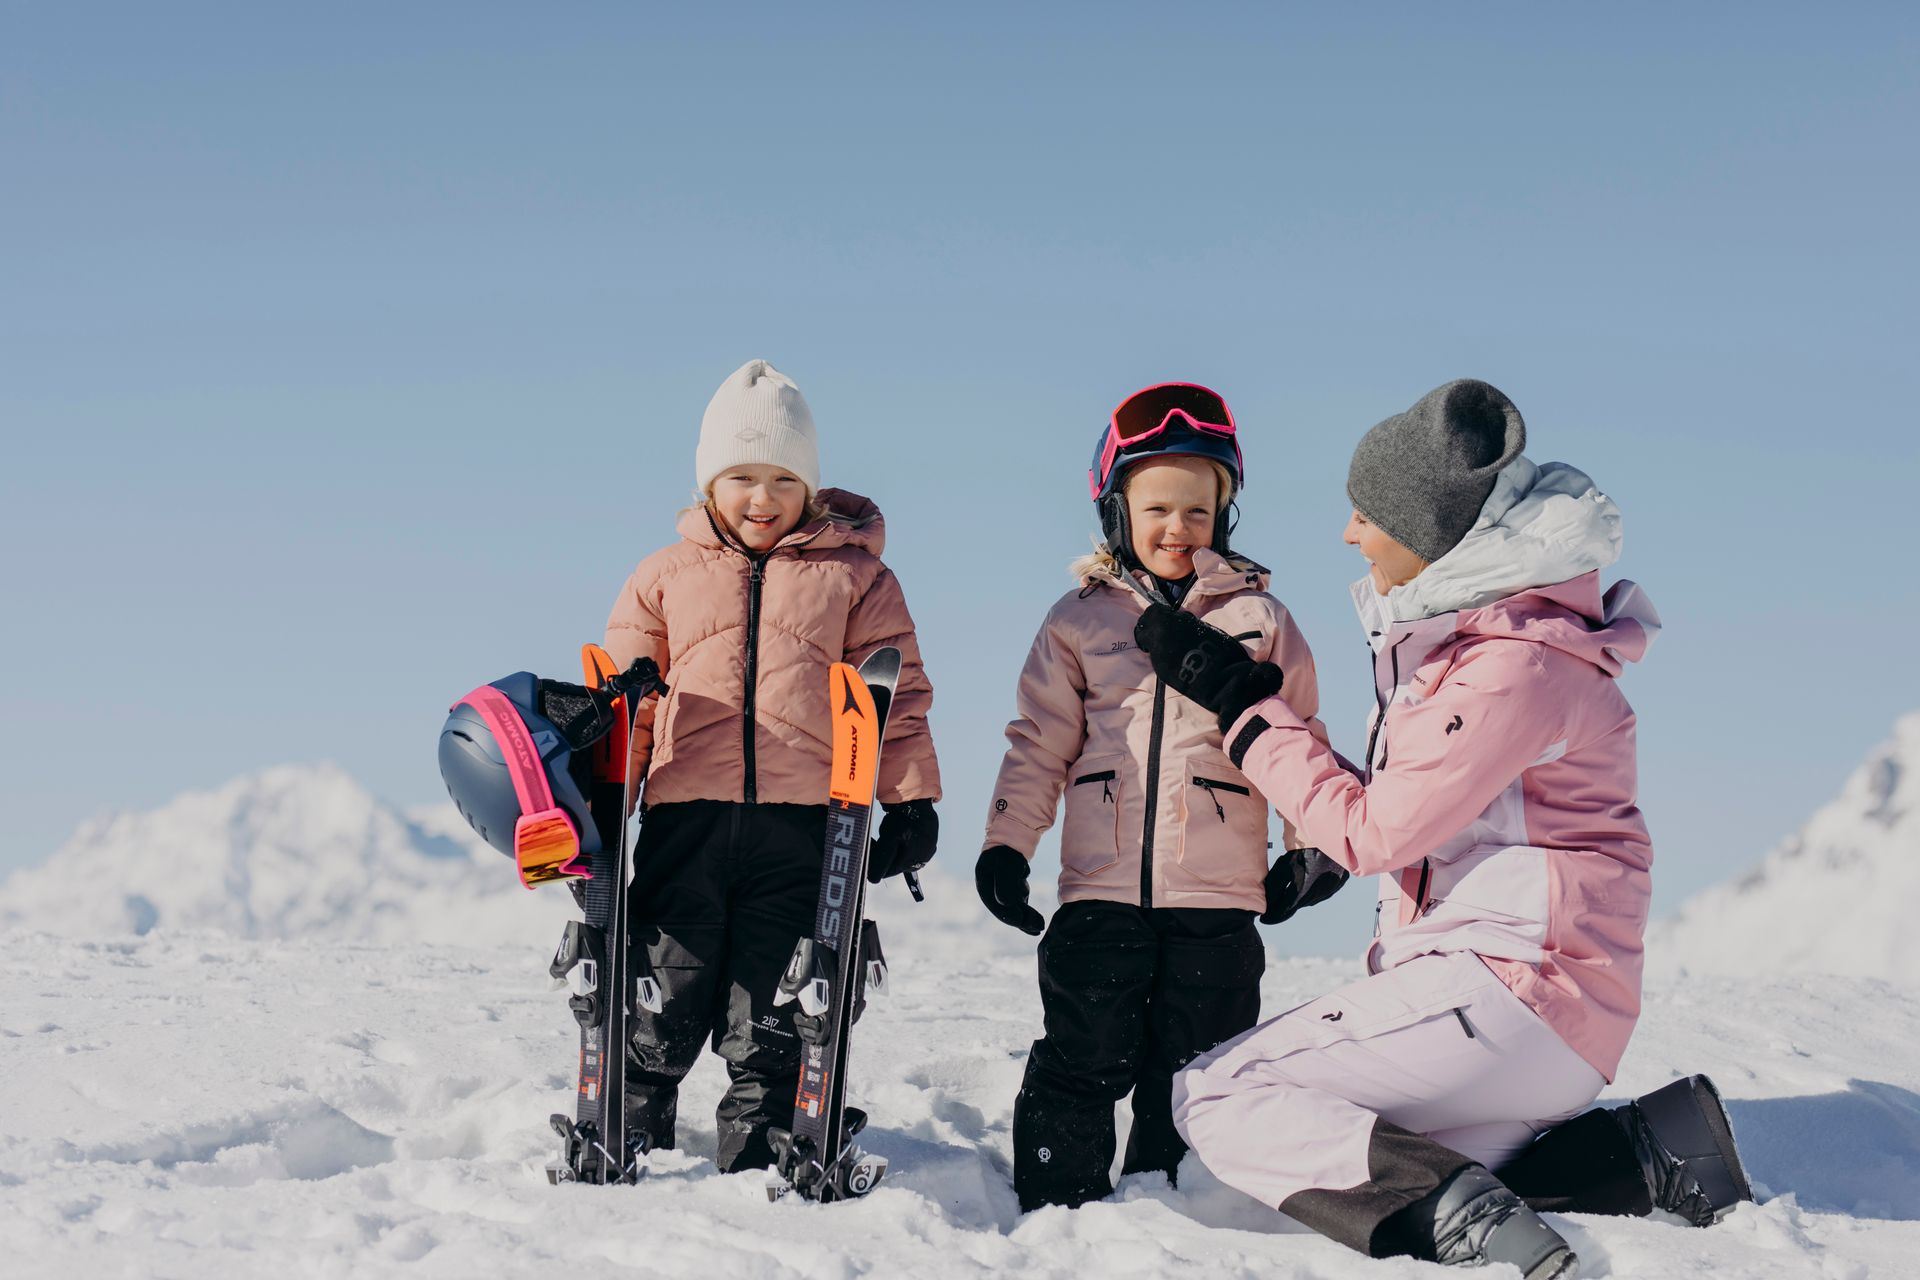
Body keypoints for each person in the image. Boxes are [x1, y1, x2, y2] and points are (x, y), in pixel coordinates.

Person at [1135, 379, 1751, 1278]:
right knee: (1366, 1141)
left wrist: (1242, 704)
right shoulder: (1496, 647)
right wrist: (1287, 758)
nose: (1349, 534)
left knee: (1220, 1094)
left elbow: (1373, 835)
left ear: (1429, 536)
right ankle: (1647, 1153)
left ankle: (1463, 1221)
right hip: (1550, 1007)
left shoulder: (1513, 667)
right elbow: (1408, 811)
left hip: (1516, 990)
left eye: (1365, 513)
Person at [975, 382, 1349, 1212]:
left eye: (1198, 512)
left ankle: (1172, 1209)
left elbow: (1299, 736)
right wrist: (1008, 844)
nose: (1177, 530)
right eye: (1157, 510)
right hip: (1100, 887)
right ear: (1117, 512)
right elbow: (1040, 742)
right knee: (1084, 1047)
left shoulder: (1261, 618)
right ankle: (1056, 1202)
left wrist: (1311, 844)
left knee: (1197, 1062)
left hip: (1217, 891)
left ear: (1225, 517)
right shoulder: (1078, 621)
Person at [602, 359, 941, 1173]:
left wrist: (911, 801)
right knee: (666, 980)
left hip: (804, 825)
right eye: (743, 477)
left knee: (775, 996)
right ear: (709, 484)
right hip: (686, 815)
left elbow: (897, 696)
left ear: (811, 487)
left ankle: (759, 1153)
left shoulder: (855, 578)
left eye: (783, 478)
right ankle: (630, 1133)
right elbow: (623, 705)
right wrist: (603, 797)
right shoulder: (662, 578)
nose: (762, 498)